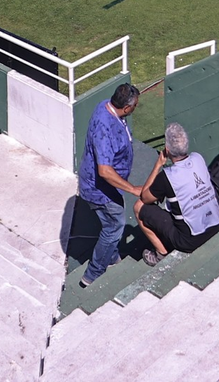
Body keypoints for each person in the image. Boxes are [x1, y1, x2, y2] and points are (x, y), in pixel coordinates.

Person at [78, 83, 141, 287]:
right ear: (126, 108)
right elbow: (104, 171)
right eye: (135, 106)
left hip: (107, 187)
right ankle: (93, 274)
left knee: (110, 224)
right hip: (100, 191)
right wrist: (132, 189)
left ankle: (112, 258)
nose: (135, 108)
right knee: (115, 225)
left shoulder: (106, 105)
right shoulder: (105, 128)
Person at [133, 123, 219, 266]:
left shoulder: (167, 177)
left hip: (190, 240)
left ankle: (161, 254)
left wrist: (158, 165)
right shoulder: (198, 158)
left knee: (139, 207)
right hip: (216, 224)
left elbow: (145, 197)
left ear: (167, 150)